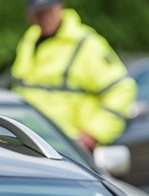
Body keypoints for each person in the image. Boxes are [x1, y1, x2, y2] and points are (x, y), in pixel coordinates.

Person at [10, 0, 136, 152]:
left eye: (48, 11)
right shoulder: (28, 41)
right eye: (39, 13)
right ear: (29, 15)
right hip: (31, 145)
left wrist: (94, 134)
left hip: (71, 151)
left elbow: (122, 89)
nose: (44, 18)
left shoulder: (86, 43)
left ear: (61, 7)